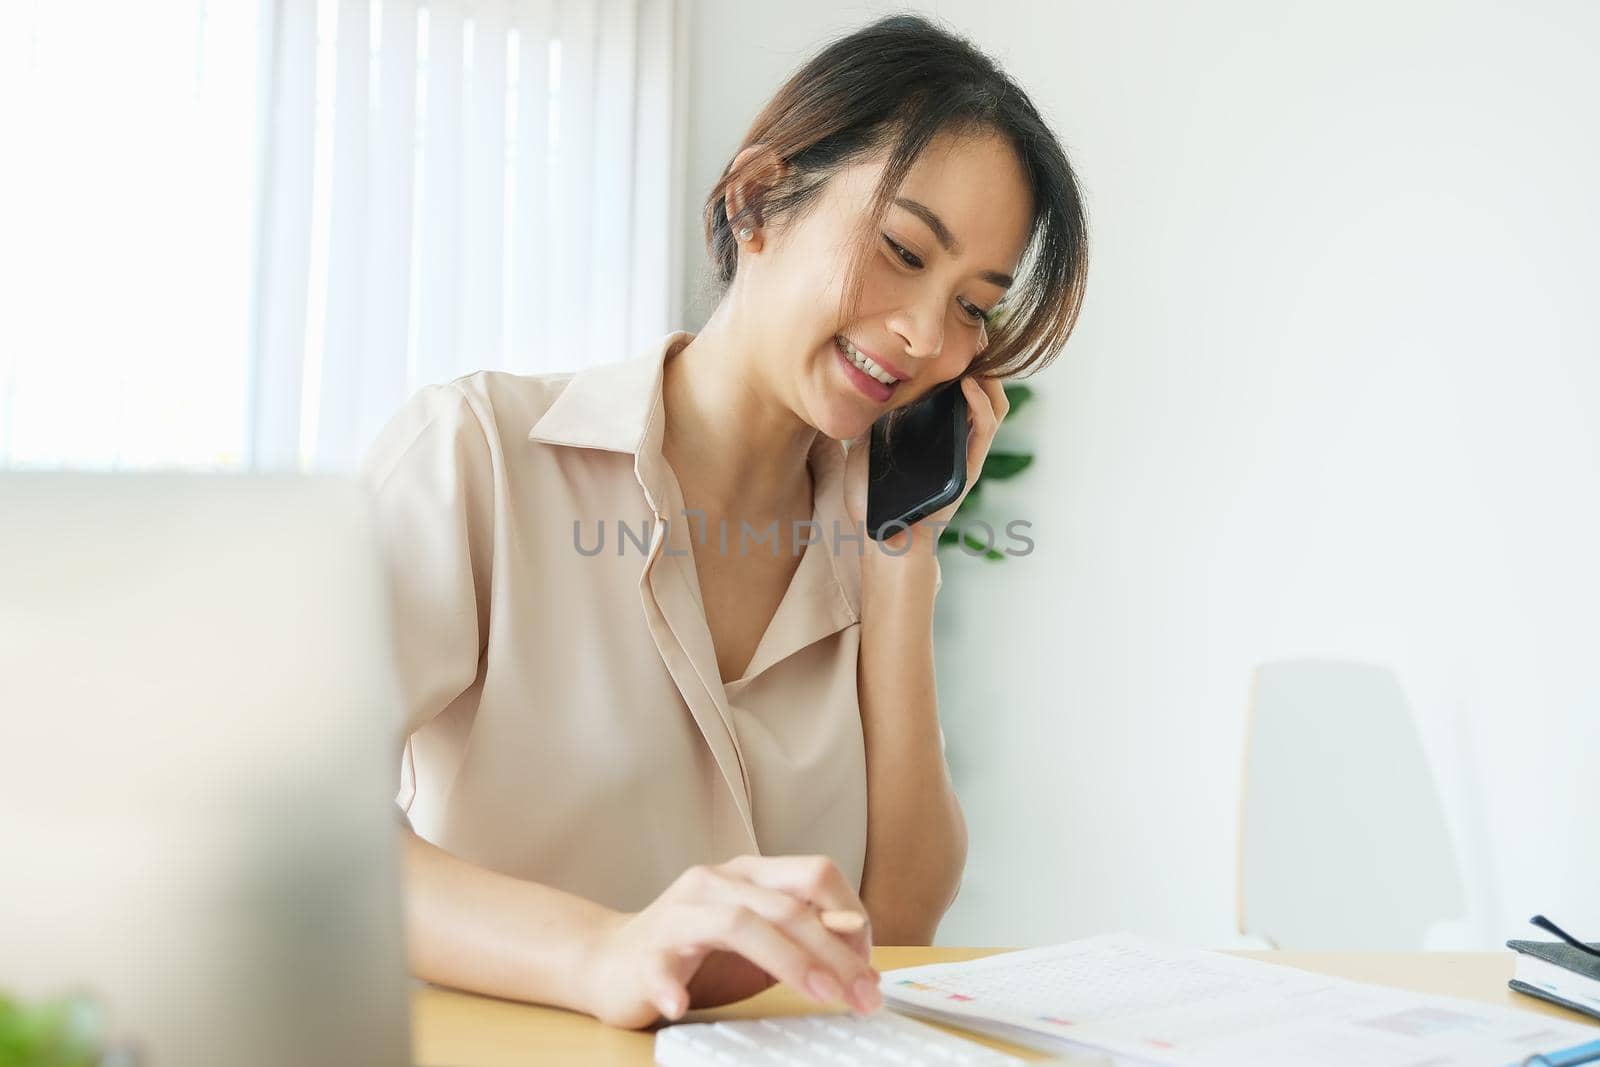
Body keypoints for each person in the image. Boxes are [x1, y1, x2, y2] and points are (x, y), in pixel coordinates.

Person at [359, 13, 1088, 1031]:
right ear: (756, 201)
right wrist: (597, 950)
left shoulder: (872, 536)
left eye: (973, 305)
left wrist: (901, 560)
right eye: (901, 250)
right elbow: (294, 828)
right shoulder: (478, 451)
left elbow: (901, 919)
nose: (927, 335)